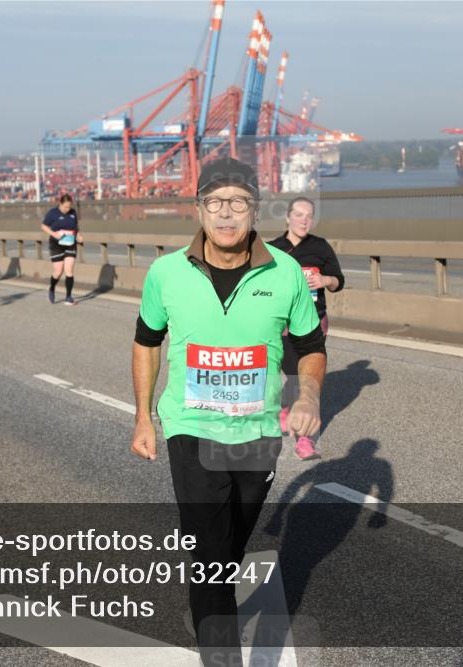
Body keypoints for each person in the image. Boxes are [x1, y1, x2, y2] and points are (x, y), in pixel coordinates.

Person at [131, 157, 326, 666]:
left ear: (255, 210)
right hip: (191, 430)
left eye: (237, 202)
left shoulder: (285, 274)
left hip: (257, 432)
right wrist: (143, 417)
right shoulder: (166, 272)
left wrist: (307, 396)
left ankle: (206, 601)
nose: (225, 213)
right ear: (198, 209)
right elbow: (147, 341)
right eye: (214, 202)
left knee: (229, 550)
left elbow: (310, 345)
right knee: (211, 559)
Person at [269, 196, 344, 460]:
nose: (304, 220)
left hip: (313, 322)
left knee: (307, 382)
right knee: (293, 375)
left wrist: (325, 279)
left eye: (309, 216)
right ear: (288, 217)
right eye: (299, 215)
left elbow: (338, 281)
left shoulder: (321, 247)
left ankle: (305, 441)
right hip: (285, 325)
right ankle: (284, 410)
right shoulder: (273, 249)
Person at [40, 193, 82, 305]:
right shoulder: (53, 213)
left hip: (70, 243)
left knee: (69, 270)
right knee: (58, 272)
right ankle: (52, 288)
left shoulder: (73, 213)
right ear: (60, 204)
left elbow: (76, 227)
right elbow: (43, 226)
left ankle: (68, 297)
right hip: (56, 244)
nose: (68, 209)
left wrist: (79, 236)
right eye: (65, 207)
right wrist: (54, 234)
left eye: (69, 207)